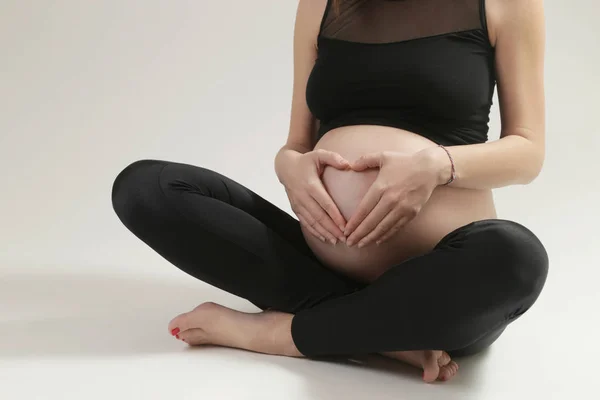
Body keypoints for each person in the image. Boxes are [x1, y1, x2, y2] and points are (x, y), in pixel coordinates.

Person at [111, 0, 548, 383]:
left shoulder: (505, 2)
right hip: (323, 265)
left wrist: (437, 166)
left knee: (517, 257)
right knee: (146, 189)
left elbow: (528, 150)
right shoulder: (321, 3)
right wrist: (290, 169)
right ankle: (380, 334)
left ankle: (280, 334)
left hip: (443, 281)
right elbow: (295, 145)